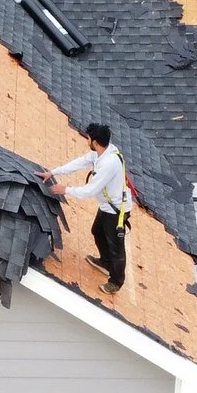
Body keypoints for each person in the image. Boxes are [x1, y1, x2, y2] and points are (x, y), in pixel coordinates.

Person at [39, 122, 132, 292]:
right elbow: (79, 163)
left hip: (116, 211)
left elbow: (90, 190)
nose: (87, 140)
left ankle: (116, 282)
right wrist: (53, 172)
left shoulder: (109, 163)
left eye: (88, 138)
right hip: (107, 205)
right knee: (97, 231)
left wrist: (65, 190)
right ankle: (105, 263)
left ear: (95, 141)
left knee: (116, 248)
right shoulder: (101, 153)